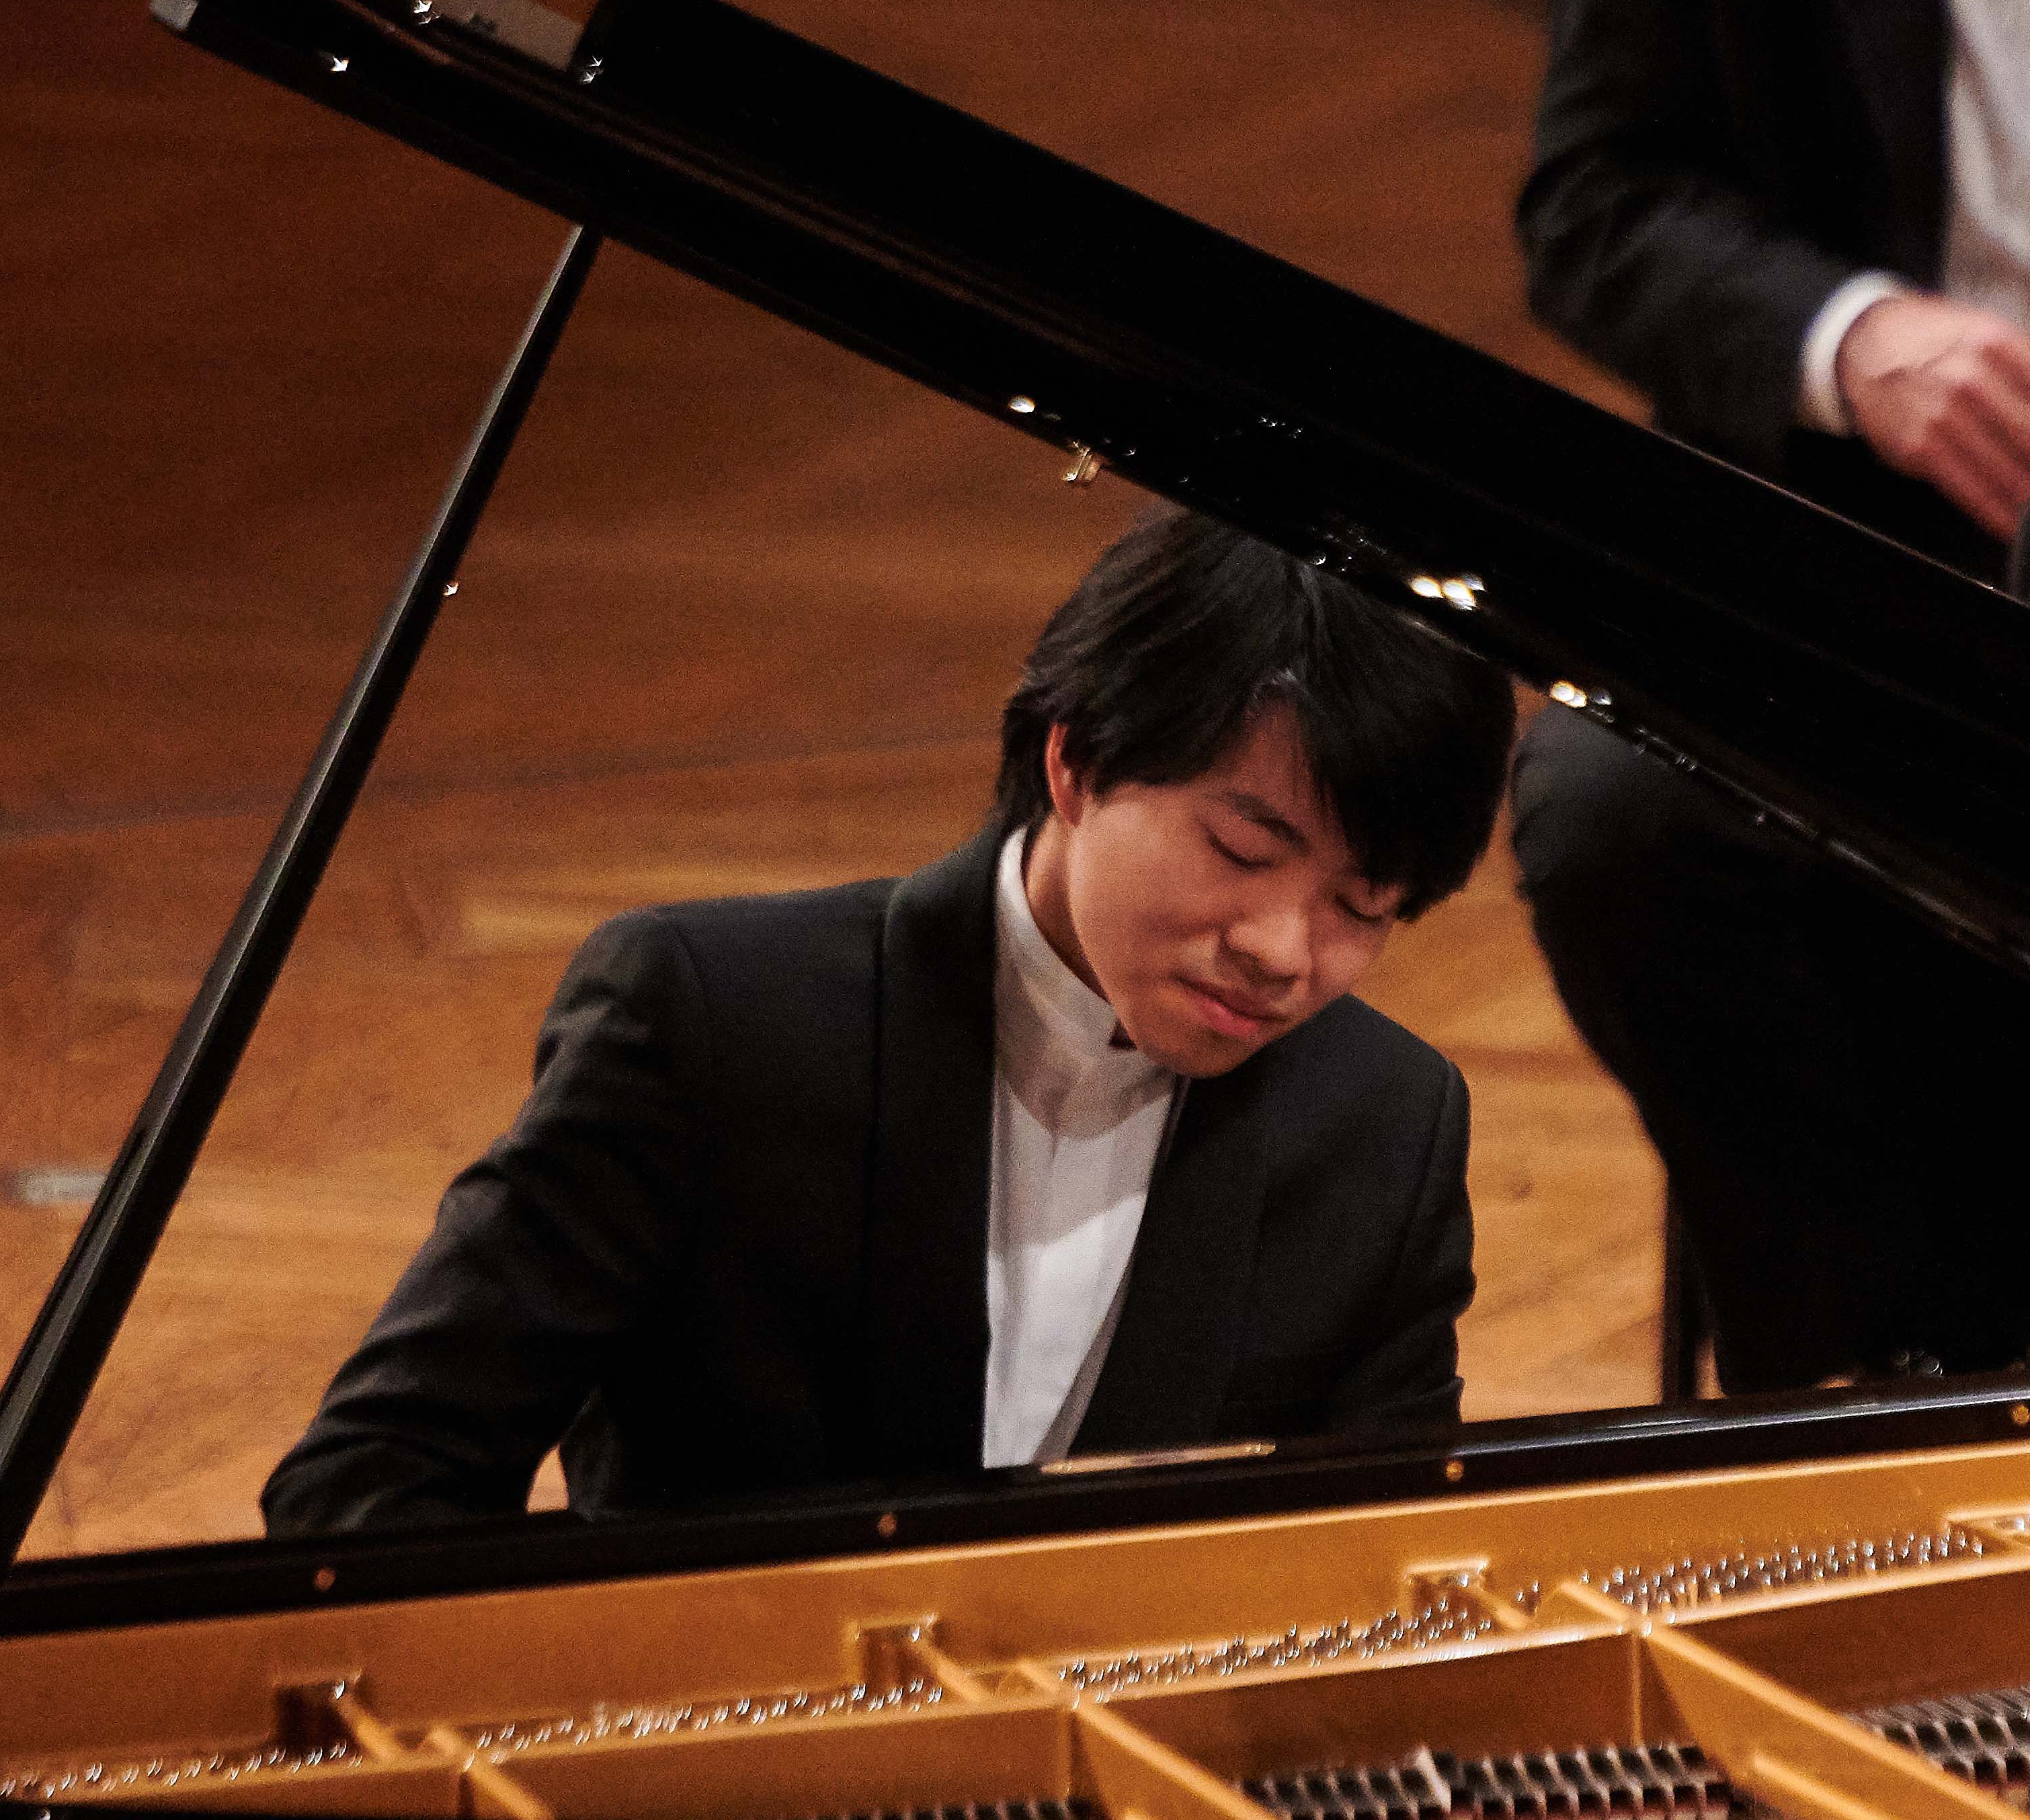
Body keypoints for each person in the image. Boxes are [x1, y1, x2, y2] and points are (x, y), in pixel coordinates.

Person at [263, 509, 1518, 1532]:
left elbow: (1392, 1563)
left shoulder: (1386, 1127)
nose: (1284, 953)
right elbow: (371, 1483)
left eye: (1363, 907)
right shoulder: (710, 1027)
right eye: (1244, 849)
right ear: (1075, 762)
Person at [1505, 0, 2030, 1387]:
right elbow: (1596, 202)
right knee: (1618, 816)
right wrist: (1852, 342)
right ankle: (1865, 1395)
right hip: (1855, 521)